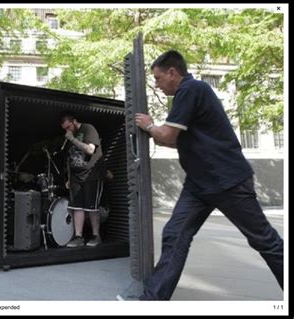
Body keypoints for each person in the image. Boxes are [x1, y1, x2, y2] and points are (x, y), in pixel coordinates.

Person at [130, 50, 284, 300]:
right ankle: (151, 301)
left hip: (228, 181)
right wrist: (155, 129)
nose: (156, 85)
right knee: (174, 235)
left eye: (158, 78)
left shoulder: (191, 89)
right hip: (199, 184)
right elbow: (174, 141)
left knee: (265, 241)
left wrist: (148, 125)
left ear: (172, 72)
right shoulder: (189, 94)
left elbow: (167, 136)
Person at [60, 111, 106, 247]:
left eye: (68, 127)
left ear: (74, 121)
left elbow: (90, 150)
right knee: (77, 207)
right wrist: (69, 178)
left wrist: (73, 139)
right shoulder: (70, 137)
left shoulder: (88, 129)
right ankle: (78, 237)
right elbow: (69, 159)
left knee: (92, 207)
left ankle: (96, 236)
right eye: (65, 129)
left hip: (91, 174)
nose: (67, 130)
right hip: (76, 177)